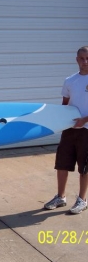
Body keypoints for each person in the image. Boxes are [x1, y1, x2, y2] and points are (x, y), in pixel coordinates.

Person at [44, 46, 88, 214]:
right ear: (77, 59)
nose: (85, 62)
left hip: (86, 130)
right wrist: (58, 122)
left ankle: (82, 200)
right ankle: (60, 197)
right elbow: (64, 105)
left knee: (84, 167)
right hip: (69, 129)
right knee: (62, 164)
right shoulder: (70, 81)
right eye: (82, 58)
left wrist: (84, 120)